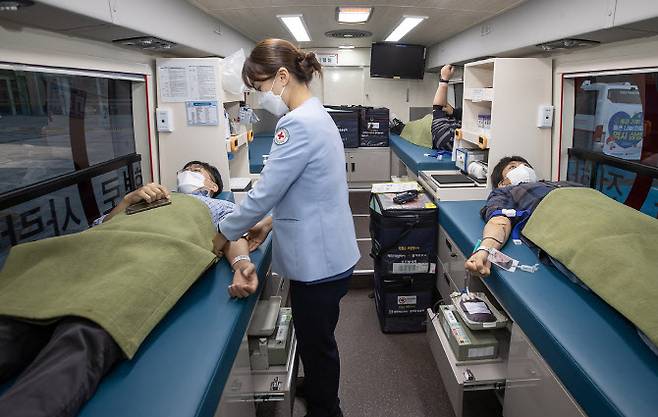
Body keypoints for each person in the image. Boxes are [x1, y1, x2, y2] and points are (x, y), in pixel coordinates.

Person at [0, 161, 260, 417]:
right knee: (18, 315)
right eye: (184, 170)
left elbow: (233, 234)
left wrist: (241, 264)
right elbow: (101, 228)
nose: (187, 174)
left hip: (148, 256)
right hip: (92, 252)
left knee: (89, 327)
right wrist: (126, 202)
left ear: (213, 185)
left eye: (196, 172)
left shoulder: (218, 205)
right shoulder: (143, 197)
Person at [212, 39, 359, 417]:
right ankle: (320, 387)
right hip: (331, 253)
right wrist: (268, 222)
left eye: (260, 88)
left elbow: (265, 191)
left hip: (319, 262)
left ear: (281, 77)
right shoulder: (316, 114)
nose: (261, 97)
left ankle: (327, 409)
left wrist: (225, 231)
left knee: (318, 342)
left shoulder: (295, 124)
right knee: (318, 338)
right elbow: (312, 190)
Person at [465, 156, 583, 277]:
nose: (522, 168)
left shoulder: (563, 183)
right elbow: (499, 221)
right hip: (567, 223)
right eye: (512, 167)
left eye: (526, 166)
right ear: (502, 183)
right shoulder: (504, 192)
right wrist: (485, 250)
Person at [432, 64, 462, 151]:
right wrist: (454, 112)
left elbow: (438, 108)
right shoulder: (448, 138)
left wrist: (444, 79)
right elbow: (440, 108)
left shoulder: (445, 138)